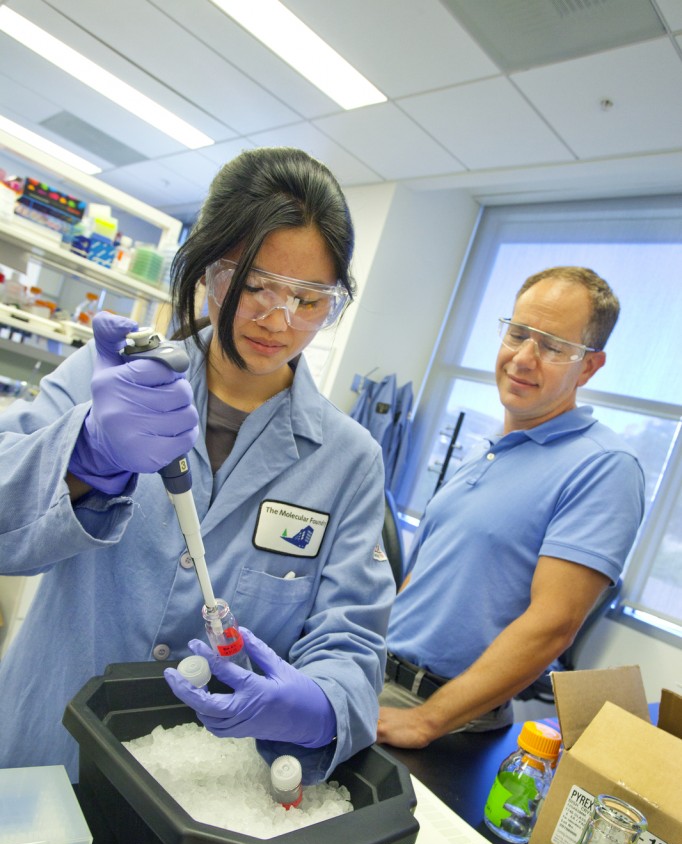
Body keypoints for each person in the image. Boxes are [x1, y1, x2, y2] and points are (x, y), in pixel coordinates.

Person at [0, 147, 395, 784]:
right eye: (256, 284)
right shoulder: (114, 378)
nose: (279, 319)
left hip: (195, 796)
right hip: (42, 751)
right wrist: (88, 454)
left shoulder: (349, 462)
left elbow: (350, 640)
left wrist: (321, 704)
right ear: (208, 269)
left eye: (311, 299)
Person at [377, 266, 645, 749]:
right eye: (518, 334)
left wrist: (427, 721)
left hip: (442, 722)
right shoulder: (488, 449)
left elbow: (553, 625)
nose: (523, 357)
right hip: (378, 682)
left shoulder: (606, 467)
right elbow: (424, 578)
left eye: (552, 346)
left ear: (588, 366)